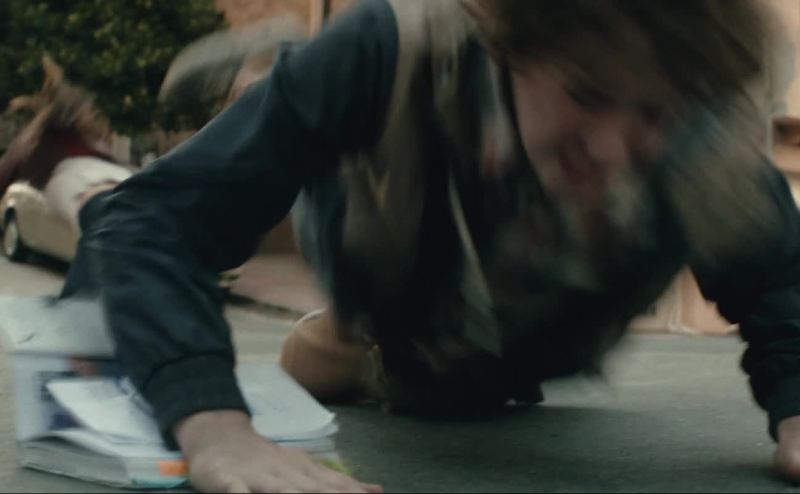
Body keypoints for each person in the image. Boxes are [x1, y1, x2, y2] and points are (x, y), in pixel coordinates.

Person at [68, 0, 800, 492]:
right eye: (586, 93)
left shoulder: (711, 148)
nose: (611, 148)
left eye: (654, 114)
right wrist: (213, 425)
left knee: (418, 384)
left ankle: (363, 343)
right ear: (510, 46)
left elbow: (782, 284)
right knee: (313, 136)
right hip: (381, 248)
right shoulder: (389, 51)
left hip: (504, 346)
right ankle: (267, 74)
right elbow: (152, 221)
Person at [0, 55, 131, 232]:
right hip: (89, 195)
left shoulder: (96, 147)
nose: (95, 116)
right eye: (89, 111)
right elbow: (8, 168)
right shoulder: (46, 140)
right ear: (74, 115)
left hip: (116, 193)